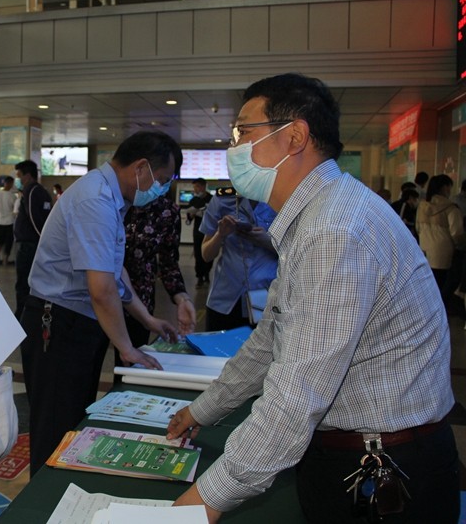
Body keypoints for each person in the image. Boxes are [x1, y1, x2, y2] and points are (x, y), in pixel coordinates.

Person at [167, 73, 458, 523]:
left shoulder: (333, 231)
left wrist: (203, 502)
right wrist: (203, 410)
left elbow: (297, 394)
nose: (234, 147)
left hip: (383, 474)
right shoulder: (319, 216)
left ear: (295, 137)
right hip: (356, 454)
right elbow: (271, 339)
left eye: (244, 132)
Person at [20, 130, 181, 474]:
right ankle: (45, 497)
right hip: (58, 325)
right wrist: (127, 348)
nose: (162, 189)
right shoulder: (95, 200)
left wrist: (147, 319)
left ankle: (64, 491)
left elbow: (114, 270)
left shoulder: (109, 197)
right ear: (141, 168)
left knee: (74, 423)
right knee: (55, 430)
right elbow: (102, 289)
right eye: (162, 179)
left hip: (76, 323)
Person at [123, 194, 195, 350]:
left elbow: (169, 262)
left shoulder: (166, 211)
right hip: (97, 296)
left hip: (140, 302)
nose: (159, 185)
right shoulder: (112, 201)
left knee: (132, 358)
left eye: (165, 182)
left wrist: (183, 299)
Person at [199, 191, 277, 331]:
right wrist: (220, 234)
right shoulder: (222, 200)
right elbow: (206, 254)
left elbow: (296, 252)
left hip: (266, 297)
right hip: (225, 299)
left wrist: (268, 242)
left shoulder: (280, 200)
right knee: (218, 344)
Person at [416, 174, 466, 306]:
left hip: (425, 251)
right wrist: (461, 245)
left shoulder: (422, 206)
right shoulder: (451, 208)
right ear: (445, 188)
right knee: (443, 285)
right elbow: (457, 233)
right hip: (444, 255)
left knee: (428, 285)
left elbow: (418, 228)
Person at [12, 160, 51, 318]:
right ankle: (30, 316)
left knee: (24, 283)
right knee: (32, 283)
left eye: (19, 175)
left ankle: (22, 317)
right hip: (36, 245)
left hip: (29, 246)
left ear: (27, 175)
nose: (18, 179)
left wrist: (43, 240)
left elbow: (34, 218)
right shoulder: (42, 191)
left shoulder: (31, 191)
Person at [185, 178, 212, 286]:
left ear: (203, 186)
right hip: (198, 231)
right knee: (198, 253)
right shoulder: (193, 200)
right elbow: (189, 218)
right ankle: (199, 276)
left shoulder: (212, 199)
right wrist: (193, 213)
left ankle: (207, 274)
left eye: (197, 186)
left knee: (209, 253)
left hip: (210, 231)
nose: (195, 189)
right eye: (194, 187)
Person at [0, 176, 16, 265]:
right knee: (9, 241)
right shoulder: (12, 196)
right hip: (10, 221)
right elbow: (14, 208)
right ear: (10, 183)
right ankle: (5, 260)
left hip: (0, 221)